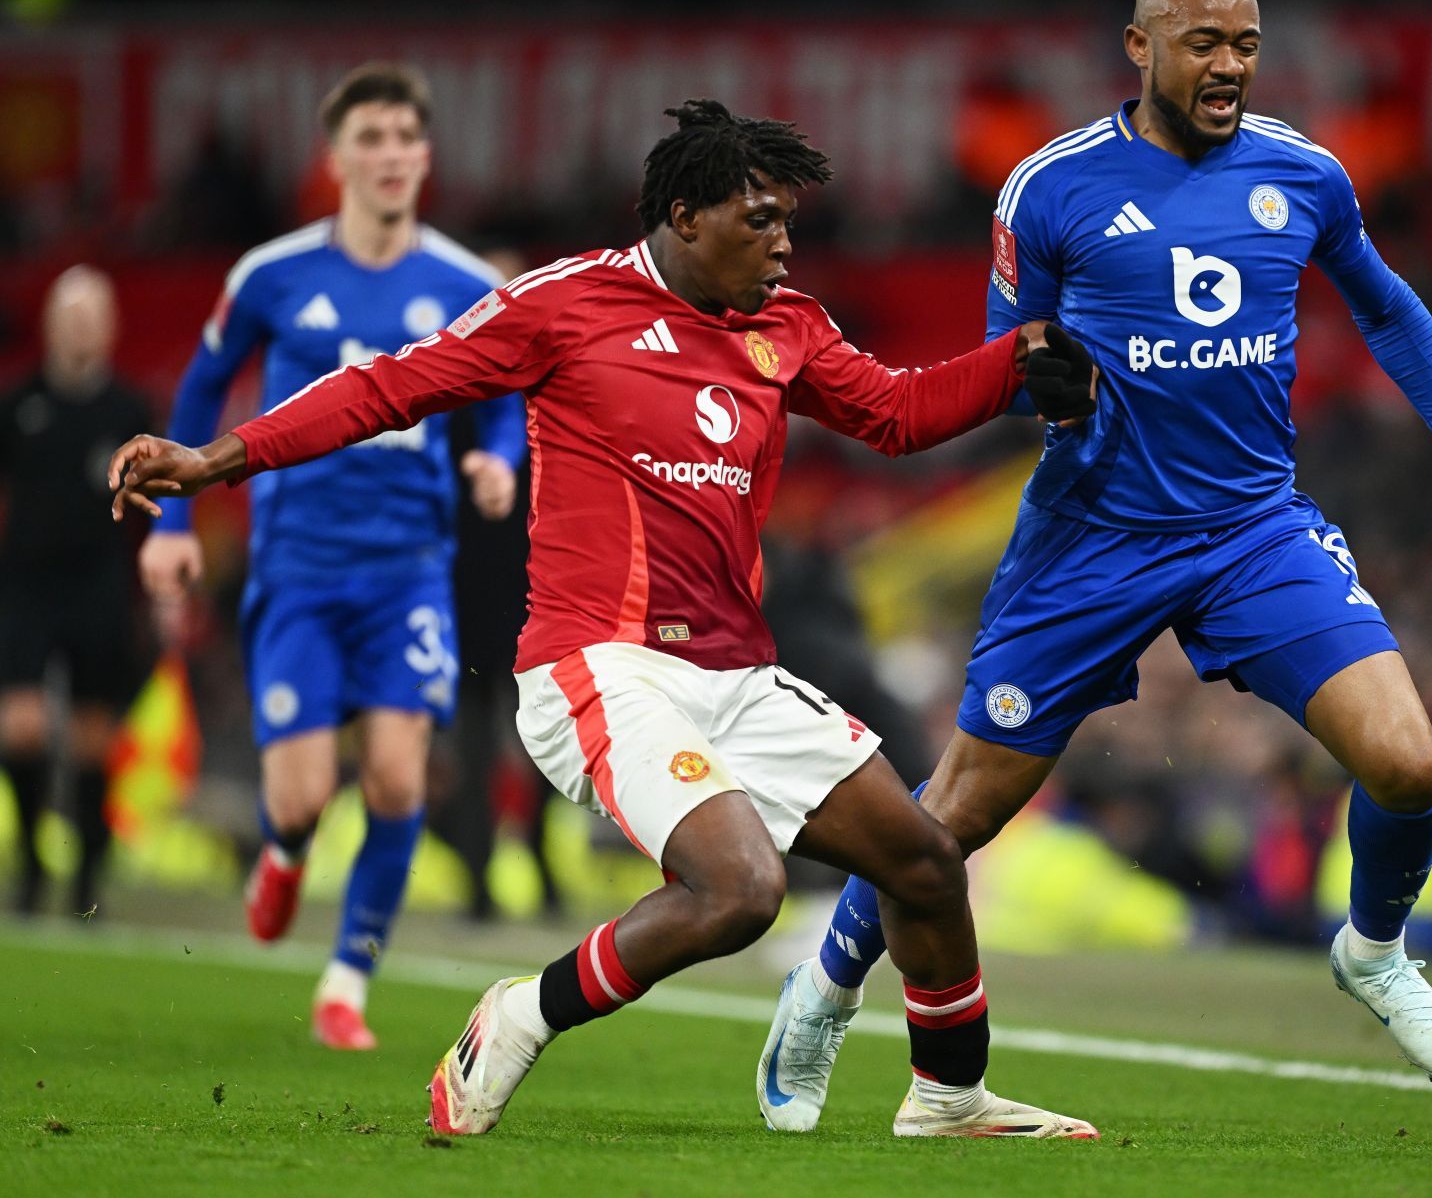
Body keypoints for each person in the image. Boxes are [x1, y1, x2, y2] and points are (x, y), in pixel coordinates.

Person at [111, 99, 1099, 1141]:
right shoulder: (564, 305)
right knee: (741, 890)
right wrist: (213, 461)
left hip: (735, 676)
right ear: (685, 214)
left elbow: (896, 415)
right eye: (759, 220)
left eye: (789, 224)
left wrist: (1017, 361)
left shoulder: (787, 327)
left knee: (925, 862)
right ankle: (521, 1014)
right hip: (600, 666)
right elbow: (389, 389)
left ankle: (947, 1097)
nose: (784, 246)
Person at [765, 0, 1432, 1130]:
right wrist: (1047, 386)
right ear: (1141, 46)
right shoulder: (1048, 189)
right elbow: (1012, 357)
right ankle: (830, 985)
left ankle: (1371, 951)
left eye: (1247, 46)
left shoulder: (1302, 174)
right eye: (1206, 43)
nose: (1230, 68)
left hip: (1254, 526)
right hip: (1093, 534)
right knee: (952, 815)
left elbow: (1387, 305)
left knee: (1408, 763)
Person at [136, 63, 526, 1051]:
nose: (391, 155)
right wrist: (174, 529)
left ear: (426, 155)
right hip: (299, 567)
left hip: (410, 569)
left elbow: (505, 398)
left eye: (406, 137)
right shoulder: (271, 275)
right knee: (302, 794)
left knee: (398, 780)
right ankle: (283, 848)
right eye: (372, 138)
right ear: (338, 155)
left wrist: (496, 461)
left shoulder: (465, 285)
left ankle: (347, 979)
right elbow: (200, 390)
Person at [1, 266, 153, 915]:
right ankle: (33, 860)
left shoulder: (129, 410)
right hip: (28, 582)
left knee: (92, 735)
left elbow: (159, 507)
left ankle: (89, 874)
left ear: (111, 326)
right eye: (71, 313)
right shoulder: (18, 403)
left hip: (98, 581)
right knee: (22, 728)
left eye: (93, 314)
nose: (81, 326)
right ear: (50, 323)